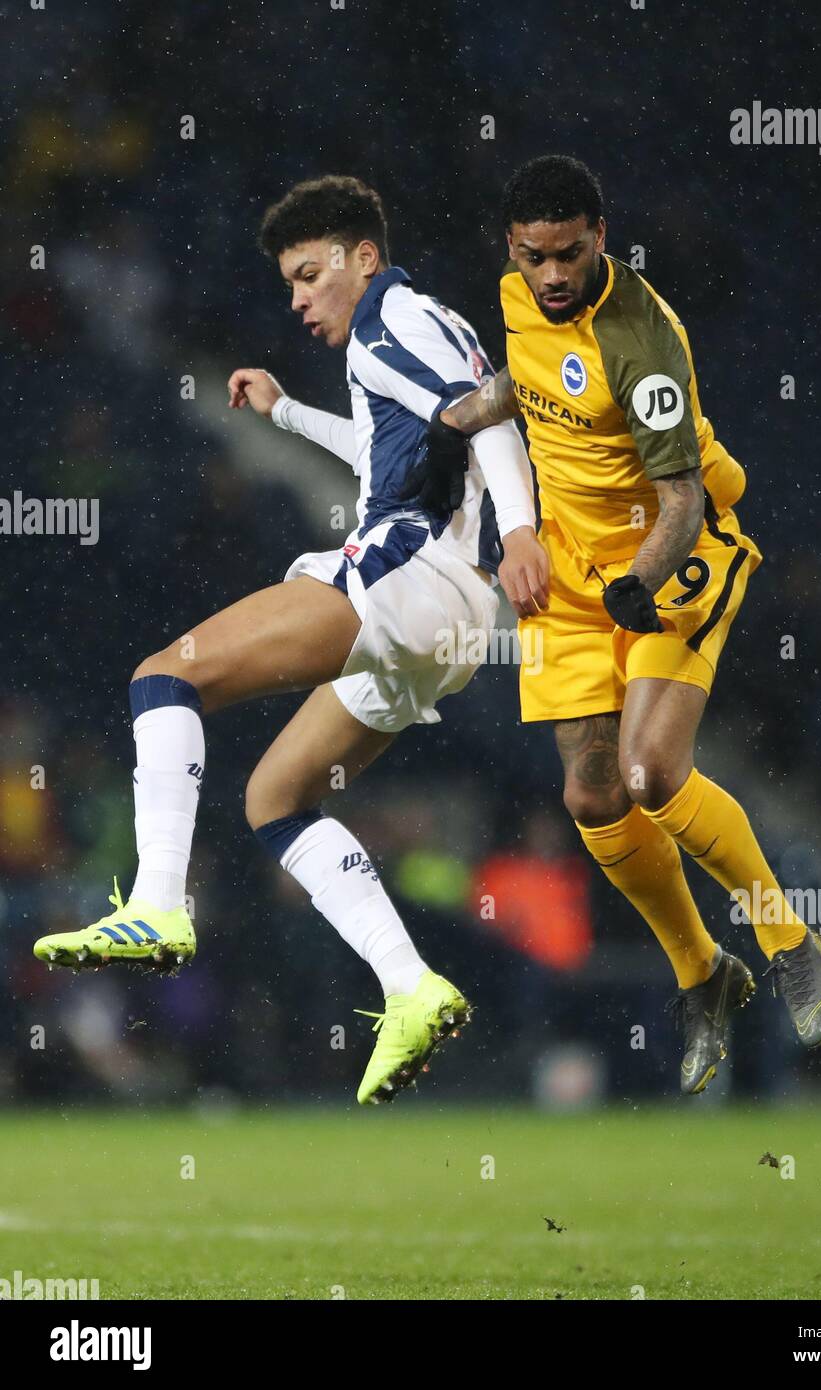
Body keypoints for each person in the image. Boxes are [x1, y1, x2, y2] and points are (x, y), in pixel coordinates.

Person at [33, 174, 546, 1106]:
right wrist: (284, 415)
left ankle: (156, 905)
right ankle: (411, 985)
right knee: (275, 798)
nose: (301, 300)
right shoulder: (396, 335)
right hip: (453, 620)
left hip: (410, 571)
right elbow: (400, 446)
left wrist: (520, 531)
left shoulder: (400, 317)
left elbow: (492, 409)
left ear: (363, 257)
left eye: (311, 275)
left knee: (162, 679)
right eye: (290, 285)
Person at [438, 156, 821, 1094]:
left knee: (652, 772)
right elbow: (531, 383)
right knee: (590, 796)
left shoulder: (642, 341)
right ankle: (703, 973)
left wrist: (637, 585)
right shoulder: (513, 295)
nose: (551, 275)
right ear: (513, 248)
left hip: (670, 557)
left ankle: (789, 941)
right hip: (573, 575)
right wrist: (463, 413)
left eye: (569, 254)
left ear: (601, 239)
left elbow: (683, 500)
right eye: (534, 256)